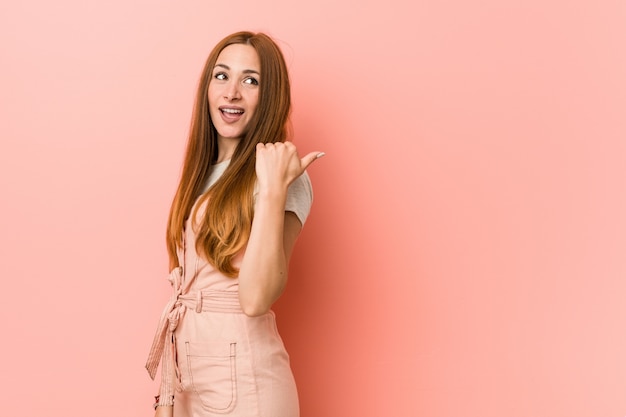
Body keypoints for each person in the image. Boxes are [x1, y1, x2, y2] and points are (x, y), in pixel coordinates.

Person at [145, 31, 323, 417]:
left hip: (246, 385)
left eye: (251, 80)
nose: (232, 92)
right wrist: (167, 398)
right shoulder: (200, 175)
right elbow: (187, 295)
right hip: (192, 382)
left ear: (269, 96)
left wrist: (274, 188)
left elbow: (256, 298)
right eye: (222, 76)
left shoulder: (280, 175)